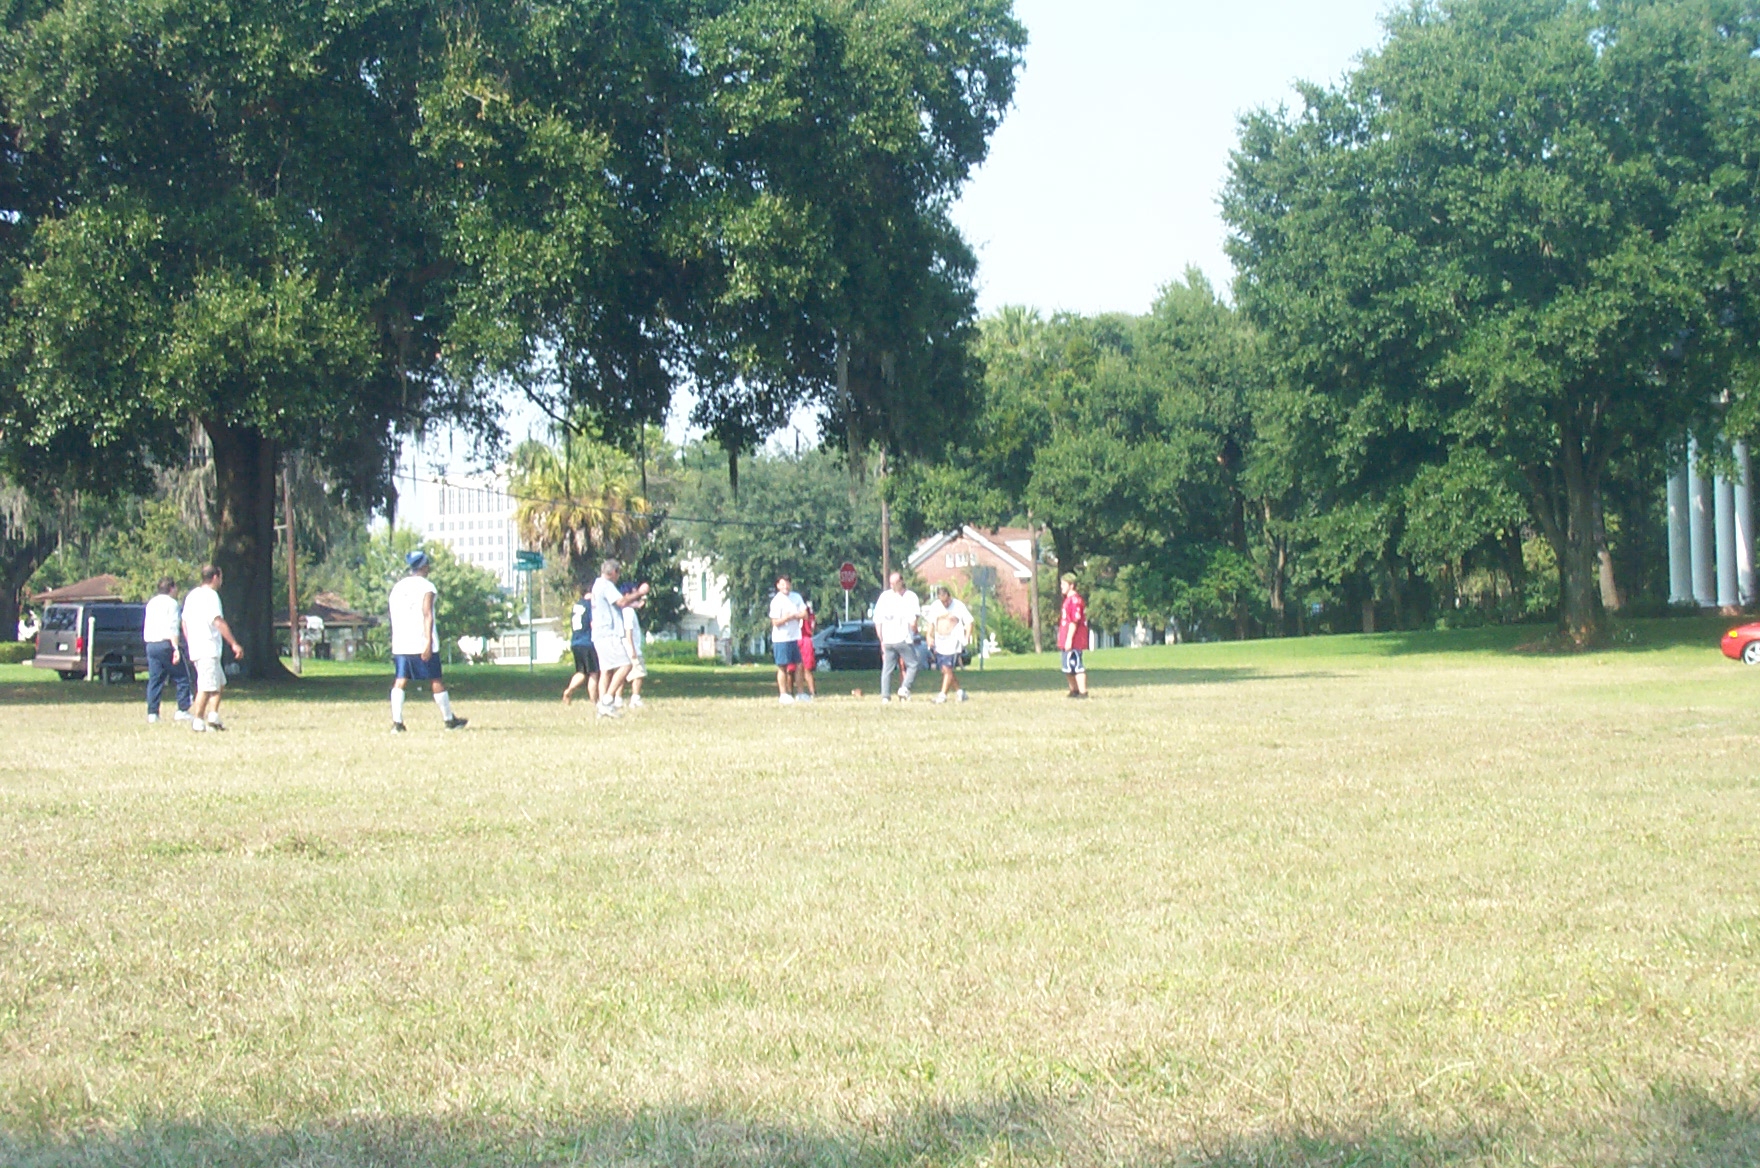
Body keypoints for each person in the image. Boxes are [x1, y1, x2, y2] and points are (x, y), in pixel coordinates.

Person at [388, 550, 467, 732]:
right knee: (435, 679)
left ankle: (397, 723)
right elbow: (427, 614)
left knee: (400, 680)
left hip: (402, 642)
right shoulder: (427, 587)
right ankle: (449, 720)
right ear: (423, 566)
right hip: (421, 641)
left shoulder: (398, 587)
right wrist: (428, 642)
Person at [181, 564, 243, 732]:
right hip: (207, 647)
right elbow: (217, 621)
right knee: (206, 686)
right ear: (215, 577)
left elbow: (184, 622)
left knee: (219, 682)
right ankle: (198, 720)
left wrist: (190, 641)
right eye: (220, 577)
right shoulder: (211, 596)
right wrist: (234, 643)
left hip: (199, 647)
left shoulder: (192, 595)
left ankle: (213, 716)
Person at [591, 558, 649, 718]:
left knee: (606, 671)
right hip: (608, 632)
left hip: (598, 634)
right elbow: (621, 602)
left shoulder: (597, 585)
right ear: (613, 572)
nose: (618, 577)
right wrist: (640, 593)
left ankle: (603, 706)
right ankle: (608, 700)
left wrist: (635, 603)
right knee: (626, 665)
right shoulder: (606, 585)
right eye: (618, 573)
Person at [143, 576, 193, 724]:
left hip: (151, 644)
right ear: (171, 588)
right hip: (166, 643)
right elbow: (172, 627)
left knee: (155, 679)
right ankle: (182, 709)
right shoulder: (172, 604)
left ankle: (153, 712)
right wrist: (176, 648)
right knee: (182, 677)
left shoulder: (151, 603)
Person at [873, 570, 922, 701]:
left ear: (901, 582)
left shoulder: (886, 597)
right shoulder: (909, 598)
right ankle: (904, 688)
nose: (892, 586)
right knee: (913, 664)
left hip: (890, 639)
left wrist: (882, 639)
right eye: (891, 583)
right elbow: (913, 621)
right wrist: (881, 640)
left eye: (895, 583)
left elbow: (878, 620)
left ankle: (885, 696)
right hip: (902, 638)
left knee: (887, 669)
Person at [924, 584, 973, 704]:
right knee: (945, 670)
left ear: (949, 597)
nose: (945, 604)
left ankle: (942, 695)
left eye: (946, 601)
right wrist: (929, 636)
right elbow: (931, 623)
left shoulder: (958, 606)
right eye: (942, 602)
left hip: (953, 642)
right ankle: (960, 692)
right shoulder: (935, 606)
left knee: (947, 668)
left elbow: (969, 622)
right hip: (940, 642)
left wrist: (967, 637)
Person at [768, 575, 808, 703]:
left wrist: (796, 615)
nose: (785, 586)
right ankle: (783, 694)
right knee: (783, 666)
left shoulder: (796, 597)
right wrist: (787, 618)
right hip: (781, 638)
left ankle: (801, 693)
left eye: (787, 584)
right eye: (782, 584)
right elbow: (775, 622)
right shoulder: (776, 601)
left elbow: (805, 614)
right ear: (778, 586)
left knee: (799, 665)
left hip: (794, 637)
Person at [562, 584, 599, 706]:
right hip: (587, 642)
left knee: (581, 672)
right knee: (593, 673)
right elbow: (593, 624)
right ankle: (594, 701)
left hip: (575, 642)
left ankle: (569, 690)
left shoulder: (577, 605)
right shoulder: (590, 606)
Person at [1058, 572, 1090, 698]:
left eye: (1064, 584)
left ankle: (1083, 691)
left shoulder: (1075, 601)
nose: (1061, 586)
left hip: (1074, 640)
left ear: (1071, 585)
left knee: (1076, 665)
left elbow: (1074, 621)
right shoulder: (1067, 600)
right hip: (1065, 638)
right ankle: (1074, 690)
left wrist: (1069, 639)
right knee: (1067, 666)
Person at [621, 584, 648, 709]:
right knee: (638, 673)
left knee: (621, 674)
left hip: (624, 647)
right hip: (631, 647)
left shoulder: (623, 611)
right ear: (627, 595)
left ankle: (617, 698)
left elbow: (638, 604)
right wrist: (632, 648)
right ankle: (635, 698)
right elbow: (628, 631)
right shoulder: (628, 612)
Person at [796, 601, 819, 701]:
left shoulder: (809, 613)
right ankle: (790, 692)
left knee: (806, 668)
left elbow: (811, 628)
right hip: (796, 638)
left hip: (805, 639)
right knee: (791, 669)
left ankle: (812, 692)